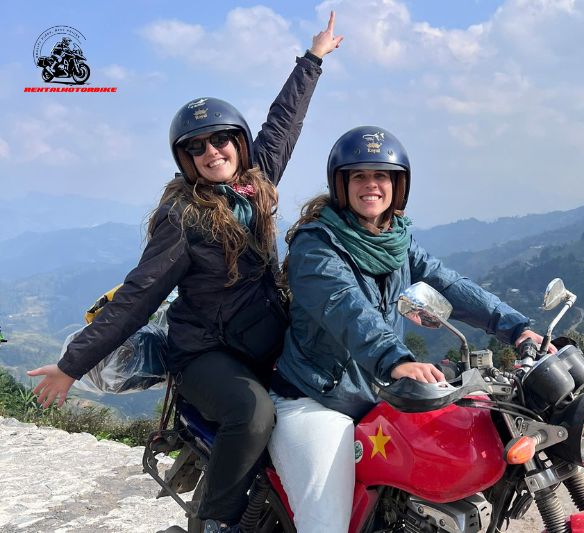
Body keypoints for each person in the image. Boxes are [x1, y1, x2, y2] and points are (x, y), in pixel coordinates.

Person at [27, 12, 343, 533]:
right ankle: (215, 520)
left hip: (263, 335)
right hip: (205, 352)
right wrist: (72, 363)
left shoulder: (256, 180)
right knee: (255, 416)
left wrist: (312, 60)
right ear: (185, 159)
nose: (210, 151)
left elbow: (284, 122)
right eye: (195, 146)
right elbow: (137, 297)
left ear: (237, 143)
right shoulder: (182, 218)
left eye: (219, 139)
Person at [268, 126, 551, 533]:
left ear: (397, 185)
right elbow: (346, 308)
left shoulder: (396, 240)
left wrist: (517, 329)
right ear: (341, 184)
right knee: (326, 524)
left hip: (378, 395)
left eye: (381, 176)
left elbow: (449, 285)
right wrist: (396, 360)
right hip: (316, 400)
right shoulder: (316, 247)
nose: (371, 185)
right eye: (359, 176)